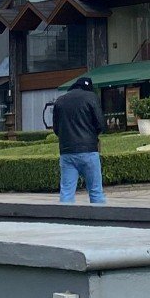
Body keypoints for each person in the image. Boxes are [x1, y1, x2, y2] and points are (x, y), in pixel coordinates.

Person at [53, 74, 106, 205]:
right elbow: (100, 124)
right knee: (95, 191)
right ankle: (100, 221)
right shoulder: (91, 97)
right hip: (89, 150)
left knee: (66, 192)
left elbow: (56, 128)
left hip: (67, 152)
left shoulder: (60, 100)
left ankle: (65, 221)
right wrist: (93, 136)